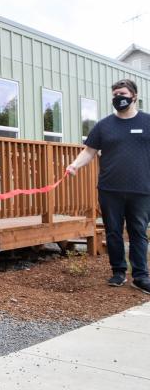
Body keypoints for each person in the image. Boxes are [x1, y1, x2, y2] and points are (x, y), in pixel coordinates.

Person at [67, 79, 150, 295]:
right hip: (110, 189)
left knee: (138, 232)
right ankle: (118, 272)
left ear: (134, 96)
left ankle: (140, 276)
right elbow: (89, 151)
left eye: (121, 93)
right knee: (113, 232)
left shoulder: (147, 121)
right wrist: (75, 165)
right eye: (114, 94)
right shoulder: (104, 125)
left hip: (141, 189)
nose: (117, 98)